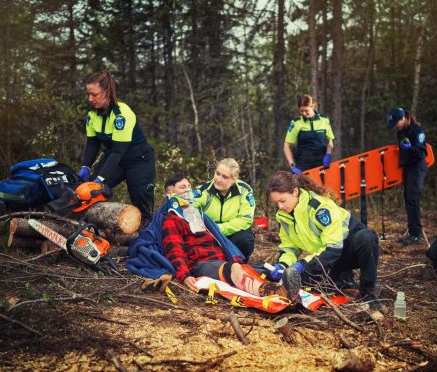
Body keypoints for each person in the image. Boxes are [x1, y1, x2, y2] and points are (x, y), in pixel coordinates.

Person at [265, 171, 382, 309]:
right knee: (297, 282)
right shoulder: (283, 216)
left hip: (345, 249)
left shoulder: (320, 207)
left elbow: (333, 247)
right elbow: (289, 247)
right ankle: (342, 280)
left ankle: (368, 294)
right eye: (276, 203)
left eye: (282, 201)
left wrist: (302, 265)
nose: (280, 207)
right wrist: (283, 265)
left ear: (295, 192)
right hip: (325, 257)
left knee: (367, 238)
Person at [162, 173, 284, 297]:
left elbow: (219, 239)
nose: (188, 190)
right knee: (235, 269)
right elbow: (174, 251)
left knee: (268, 271)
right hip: (200, 264)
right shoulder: (172, 219)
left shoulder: (197, 214)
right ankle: (268, 291)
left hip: (221, 260)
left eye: (189, 186)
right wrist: (185, 276)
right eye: (182, 187)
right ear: (171, 194)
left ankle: (286, 285)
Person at [79, 70, 156, 224]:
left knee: (142, 207)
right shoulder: (92, 115)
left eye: (94, 94)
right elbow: (92, 144)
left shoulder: (122, 114)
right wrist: (86, 168)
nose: (90, 98)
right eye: (88, 94)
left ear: (106, 91)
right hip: (115, 159)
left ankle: (144, 241)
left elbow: (118, 151)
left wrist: (100, 179)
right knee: (89, 194)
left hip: (138, 160)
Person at [193, 158, 256, 261]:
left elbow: (245, 219)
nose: (218, 179)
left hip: (233, 231)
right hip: (210, 233)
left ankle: (240, 261)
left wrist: (219, 229)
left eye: (225, 177)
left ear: (234, 179)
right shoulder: (204, 190)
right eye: (217, 173)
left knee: (245, 240)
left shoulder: (244, 190)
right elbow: (190, 208)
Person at [386, 107, 428, 246]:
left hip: (417, 167)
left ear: (403, 118)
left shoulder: (417, 131)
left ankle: (416, 235)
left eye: (396, 123)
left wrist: (411, 148)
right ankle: (412, 231)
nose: (395, 127)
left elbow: (422, 153)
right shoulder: (401, 131)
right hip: (407, 167)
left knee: (413, 198)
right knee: (407, 198)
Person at [283, 95, 334, 174]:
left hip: (321, 162)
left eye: (306, 110)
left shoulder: (324, 120)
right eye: (301, 111)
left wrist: (328, 154)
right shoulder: (296, 122)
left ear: (313, 106)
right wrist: (292, 165)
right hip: (303, 163)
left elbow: (330, 141)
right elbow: (287, 145)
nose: (304, 113)